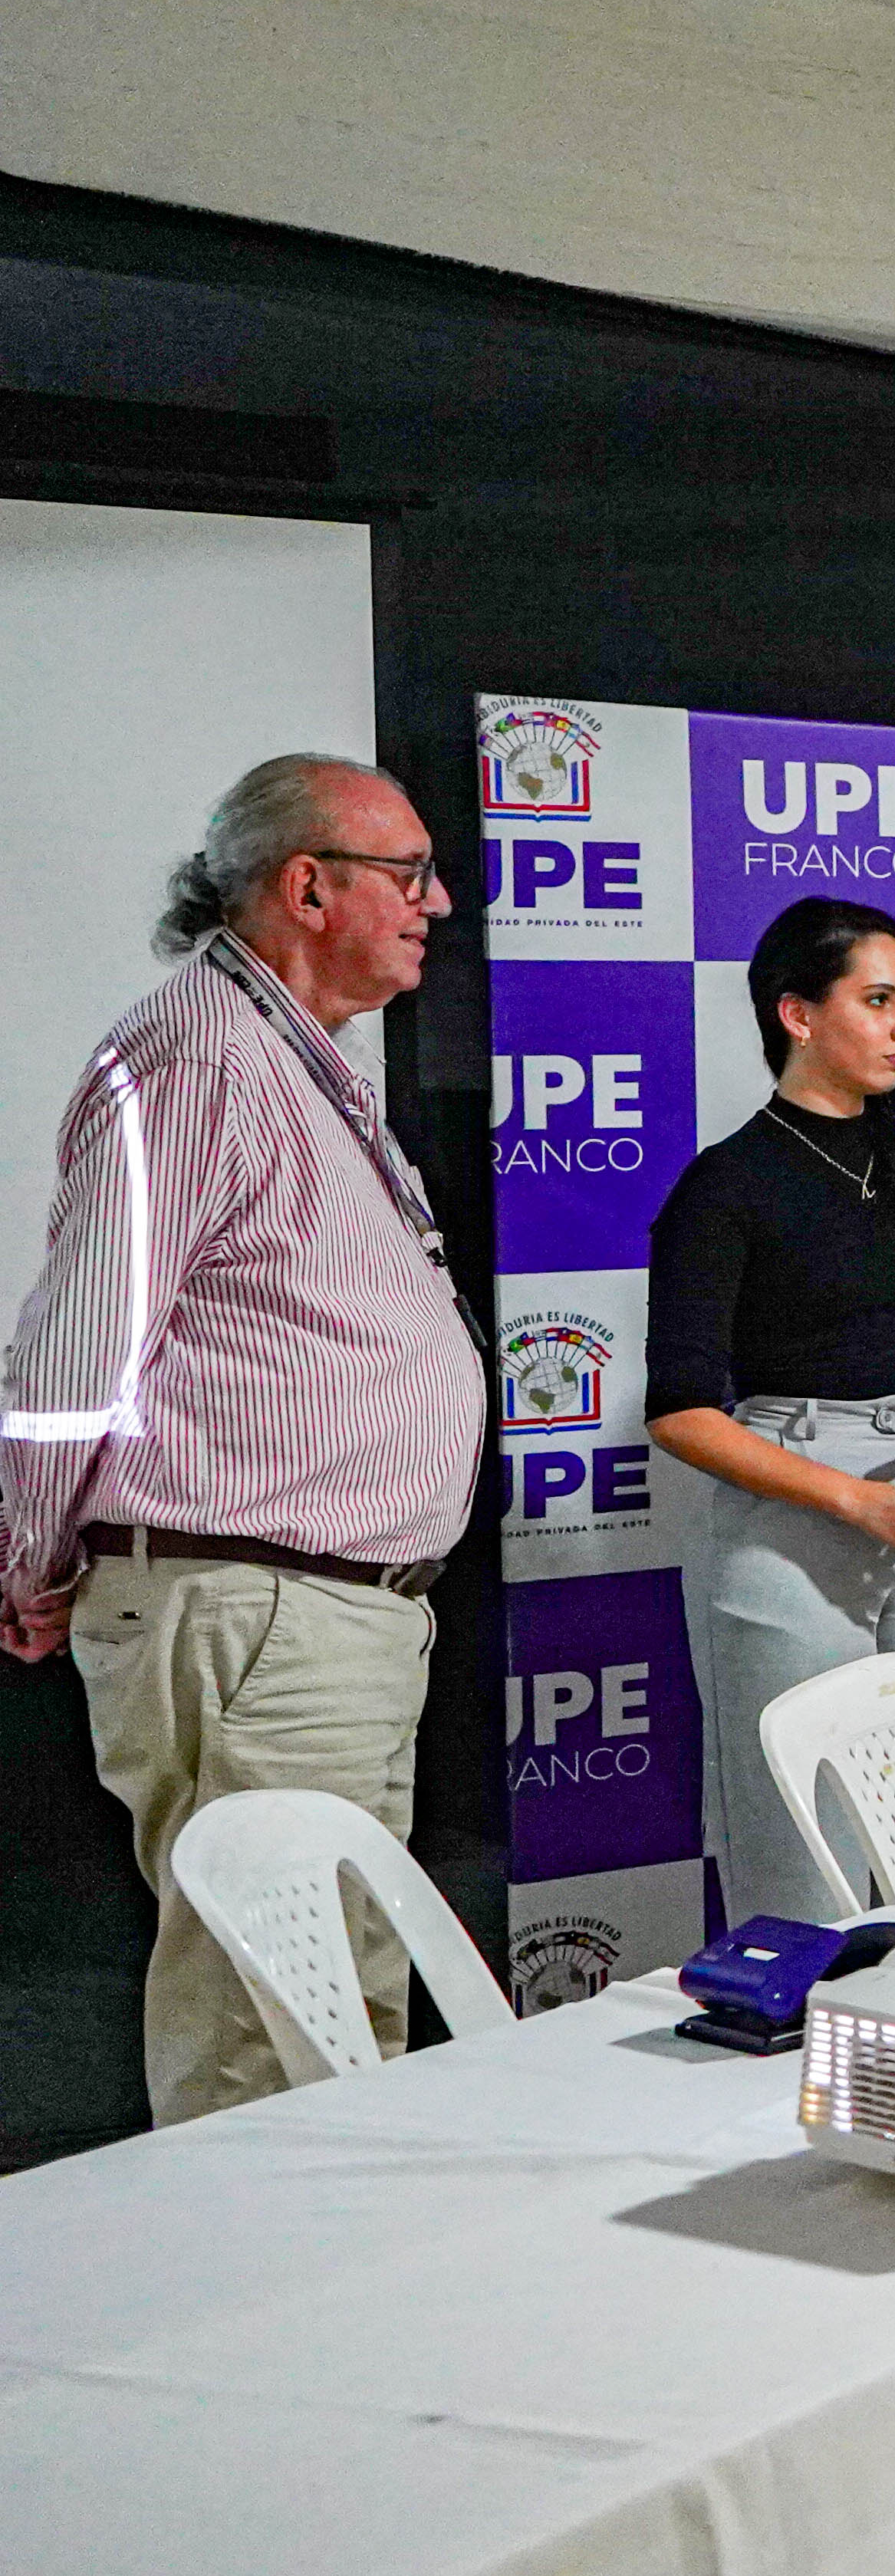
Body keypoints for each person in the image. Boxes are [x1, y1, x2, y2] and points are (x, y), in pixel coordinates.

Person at [0, 755, 479, 2120]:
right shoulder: (200, 1053)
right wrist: (29, 1551)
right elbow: (80, 1341)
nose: (435, 903)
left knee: (328, 2008)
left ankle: (325, 2312)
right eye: (408, 873)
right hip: (258, 1606)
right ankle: (243, 2323)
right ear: (306, 885)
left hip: (319, 1614)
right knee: (264, 2021)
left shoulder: (280, 1053)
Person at [647, 899, 895, 1931]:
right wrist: (852, 1499)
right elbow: (678, 1410)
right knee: (804, 1855)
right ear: (797, 1014)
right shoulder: (726, 1184)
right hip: (793, 1515)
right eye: (879, 999)